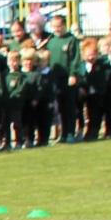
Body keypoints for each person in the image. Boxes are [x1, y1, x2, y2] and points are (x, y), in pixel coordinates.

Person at [42, 11, 83, 140]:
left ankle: (70, 132)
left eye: (59, 26)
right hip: (54, 78)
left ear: (64, 25)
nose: (56, 29)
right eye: (54, 27)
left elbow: (75, 59)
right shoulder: (51, 40)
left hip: (67, 78)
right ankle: (62, 134)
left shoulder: (71, 40)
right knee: (58, 107)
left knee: (69, 106)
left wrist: (73, 74)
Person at [76, 38, 111, 140]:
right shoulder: (81, 66)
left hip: (102, 94)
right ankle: (90, 132)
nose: (91, 57)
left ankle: (108, 131)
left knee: (104, 113)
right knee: (91, 114)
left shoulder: (103, 65)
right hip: (87, 94)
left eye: (93, 54)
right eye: (88, 54)